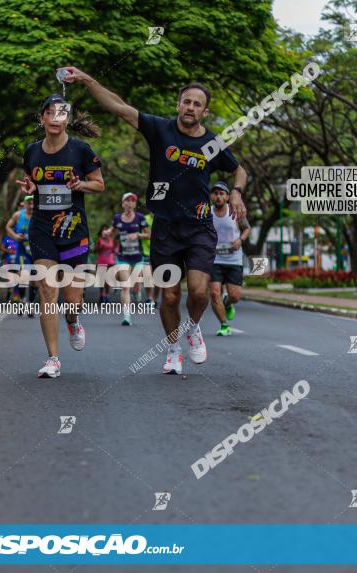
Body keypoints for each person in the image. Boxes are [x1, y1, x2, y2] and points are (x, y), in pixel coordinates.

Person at [62, 67, 248, 375]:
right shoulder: (159, 129)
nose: (190, 108)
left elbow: (239, 170)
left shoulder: (212, 143)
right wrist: (86, 79)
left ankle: (194, 327)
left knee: (200, 293)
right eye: (186, 102)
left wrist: (237, 192)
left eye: (197, 104)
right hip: (165, 228)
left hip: (200, 228)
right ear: (178, 105)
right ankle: (173, 349)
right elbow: (118, 107)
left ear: (205, 111)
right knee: (170, 294)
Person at [16, 94, 105, 378]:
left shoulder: (81, 150)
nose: (55, 118)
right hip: (42, 228)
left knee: (73, 300)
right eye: (50, 113)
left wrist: (81, 185)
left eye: (61, 114)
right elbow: (33, 181)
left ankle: (73, 320)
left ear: (67, 119)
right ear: (41, 118)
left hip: (73, 229)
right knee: (47, 290)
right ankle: (53, 358)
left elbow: (99, 185)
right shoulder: (31, 152)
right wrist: (30, 187)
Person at [208, 181, 250, 336]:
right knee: (214, 293)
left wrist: (240, 240)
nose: (218, 197)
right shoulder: (207, 213)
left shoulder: (234, 211)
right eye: (215, 193)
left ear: (227, 197)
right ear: (212, 196)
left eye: (221, 194)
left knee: (235, 296)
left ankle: (228, 304)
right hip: (214, 260)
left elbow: (247, 229)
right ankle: (224, 325)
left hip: (234, 260)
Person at [112, 192, 151, 325]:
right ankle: (126, 316)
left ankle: (138, 290)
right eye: (127, 201)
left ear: (135, 204)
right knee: (125, 286)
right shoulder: (117, 218)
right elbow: (112, 231)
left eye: (132, 201)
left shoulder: (140, 218)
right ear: (123, 204)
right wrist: (107, 233)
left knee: (135, 285)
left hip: (138, 257)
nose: (129, 203)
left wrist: (138, 236)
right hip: (123, 257)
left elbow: (149, 235)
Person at [5, 195, 37, 311]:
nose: (31, 206)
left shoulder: (40, 215)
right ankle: (23, 300)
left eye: (33, 203)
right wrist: (15, 236)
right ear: (24, 204)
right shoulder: (18, 215)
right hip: (23, 251)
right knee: (23, 275)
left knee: (34, 280)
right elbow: (8, 227)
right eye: (29, 203)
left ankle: (30, 303)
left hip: (37, 252)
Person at [94, 224, 117, 304]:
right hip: (101, 260)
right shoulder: (99, 240)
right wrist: (100, 245)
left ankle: (106, 295)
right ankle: (102, 294)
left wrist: (115, 252)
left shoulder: (111, 240)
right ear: (101, 232)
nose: (105, 232)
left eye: (106, 230)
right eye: (103, 230)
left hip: (110, 261)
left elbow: (114, 250)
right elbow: (95, 250)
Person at [142, 210, 157, 309]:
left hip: (159, 250)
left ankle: (154, 299)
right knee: (148, 276)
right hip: (146, 251)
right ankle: (149, 298)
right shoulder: (145, 219)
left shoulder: (162, 218)